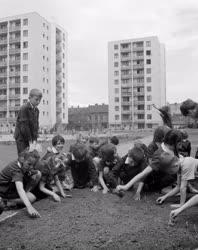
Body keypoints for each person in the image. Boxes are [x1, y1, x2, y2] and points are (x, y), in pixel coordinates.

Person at [117, 130, 182, 194]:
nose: (180, 146)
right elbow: (143, 173)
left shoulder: (171, 147)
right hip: (160, 179)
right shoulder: (159, 156)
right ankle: (165, 188)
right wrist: (126, 186)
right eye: (179, 144)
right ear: (173, 144)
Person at [0, 150, 41, 218]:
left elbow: (37, 173)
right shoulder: (16, 170)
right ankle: (7, 201)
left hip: (12, 188)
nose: (31, 167)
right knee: (31, 199)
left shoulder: (24, 165)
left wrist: (35, 173)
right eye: (29, 164)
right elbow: (20, 189)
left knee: (38, 173)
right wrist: (29, 207)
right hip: (4, 190)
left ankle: (23, 195)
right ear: (22, 159)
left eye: (33, 165)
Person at [14, 89, 43, 155]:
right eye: (36, 99)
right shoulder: (24, 108)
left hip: (31, 138)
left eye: (39, 100)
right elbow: (24, 126)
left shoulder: (37, 110)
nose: (38, 102)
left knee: (31, 158)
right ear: (29, 98)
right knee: (23, 158)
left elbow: (36, 125)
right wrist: (30, 141)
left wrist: (35, 140)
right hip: (22, 138)